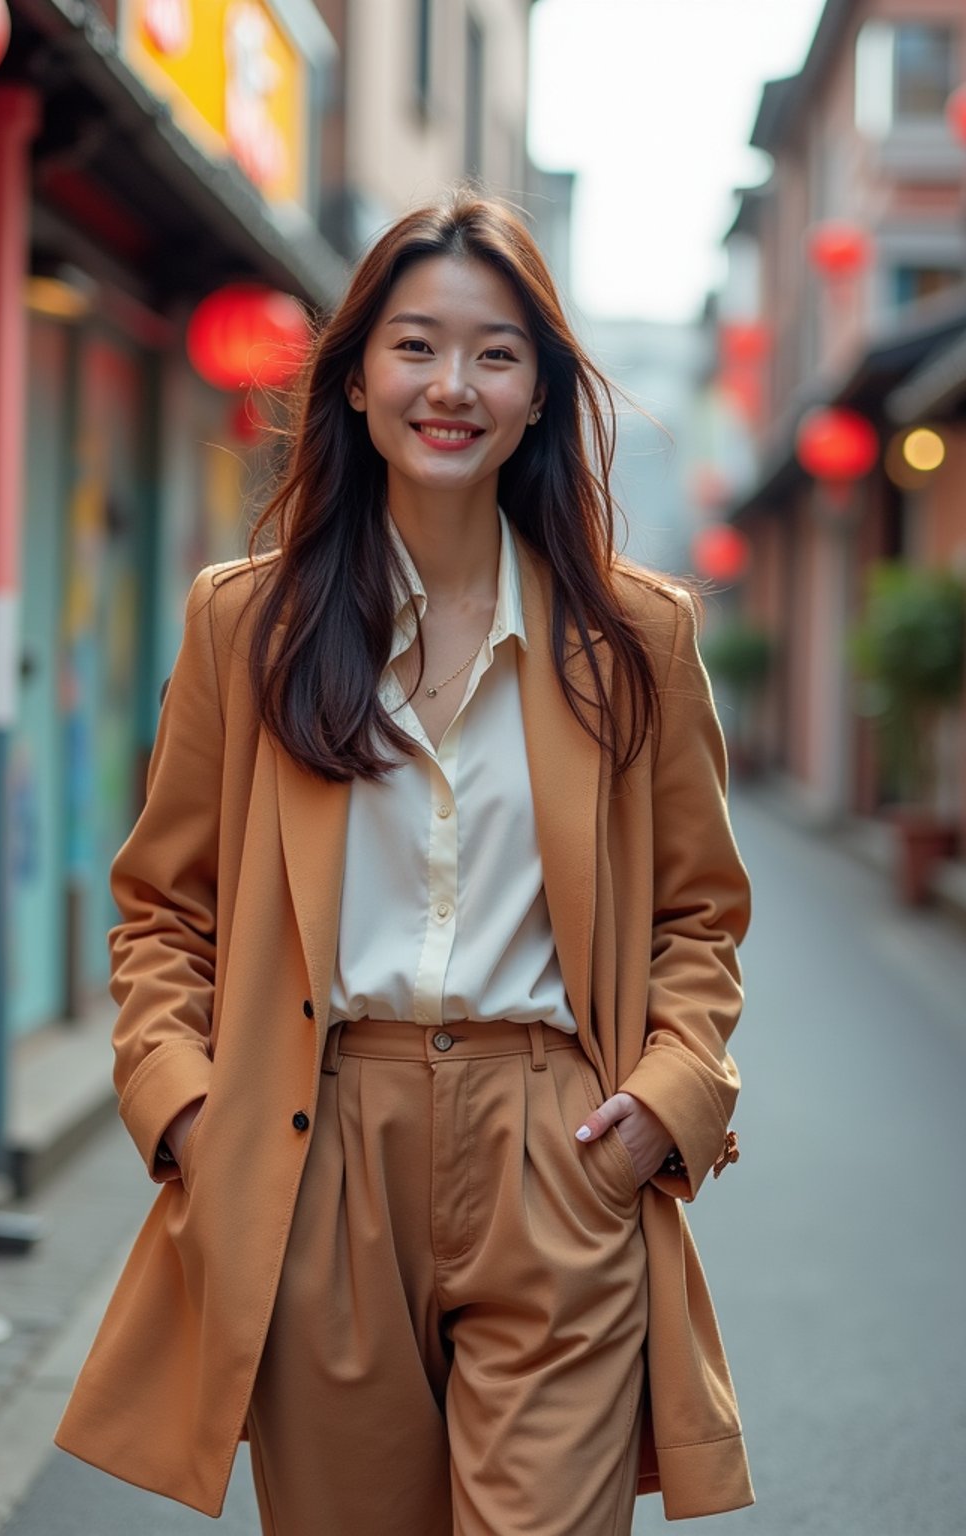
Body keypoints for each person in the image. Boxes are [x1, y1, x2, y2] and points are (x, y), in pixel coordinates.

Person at [55, 190, 753, 1535]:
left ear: (542, 393)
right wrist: (191, 1114)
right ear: (359, 378)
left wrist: (670, 1097)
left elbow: (698, 914)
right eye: (416, 346)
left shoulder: (634, 638)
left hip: (557, 1144)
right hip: (314, 1146)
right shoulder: (244, 625)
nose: (453, 384)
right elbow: (163, 908)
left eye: (496, 353)